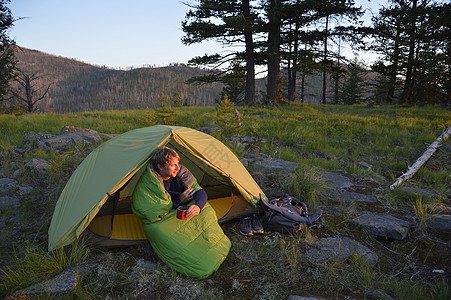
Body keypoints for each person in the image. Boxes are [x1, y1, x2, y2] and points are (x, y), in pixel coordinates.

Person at [150, 146, 208, 218]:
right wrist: (180, 200)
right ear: (160, 166)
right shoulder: (152, 183)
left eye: (178, 164)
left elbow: (198, 190)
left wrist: (197, 207)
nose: (177, 168)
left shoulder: (180, 172)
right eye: (173, 165)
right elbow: (157, 212)